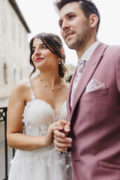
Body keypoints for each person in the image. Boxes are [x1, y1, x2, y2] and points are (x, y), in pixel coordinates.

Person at [54, 0, 120, 179]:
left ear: (92, 21)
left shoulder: (116, 56)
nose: (64, 26)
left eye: (71, 17)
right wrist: (64, 136)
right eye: (60, 22)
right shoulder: (76, 73)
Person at [7, 32, 72, 180]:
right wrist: (44, 140)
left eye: (43, 47)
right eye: (33, 49)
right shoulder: (22, 88)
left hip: (66, 167)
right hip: (31, 169)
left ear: (60, 53)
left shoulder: (72, 90)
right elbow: (11, 137)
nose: (36, 52)